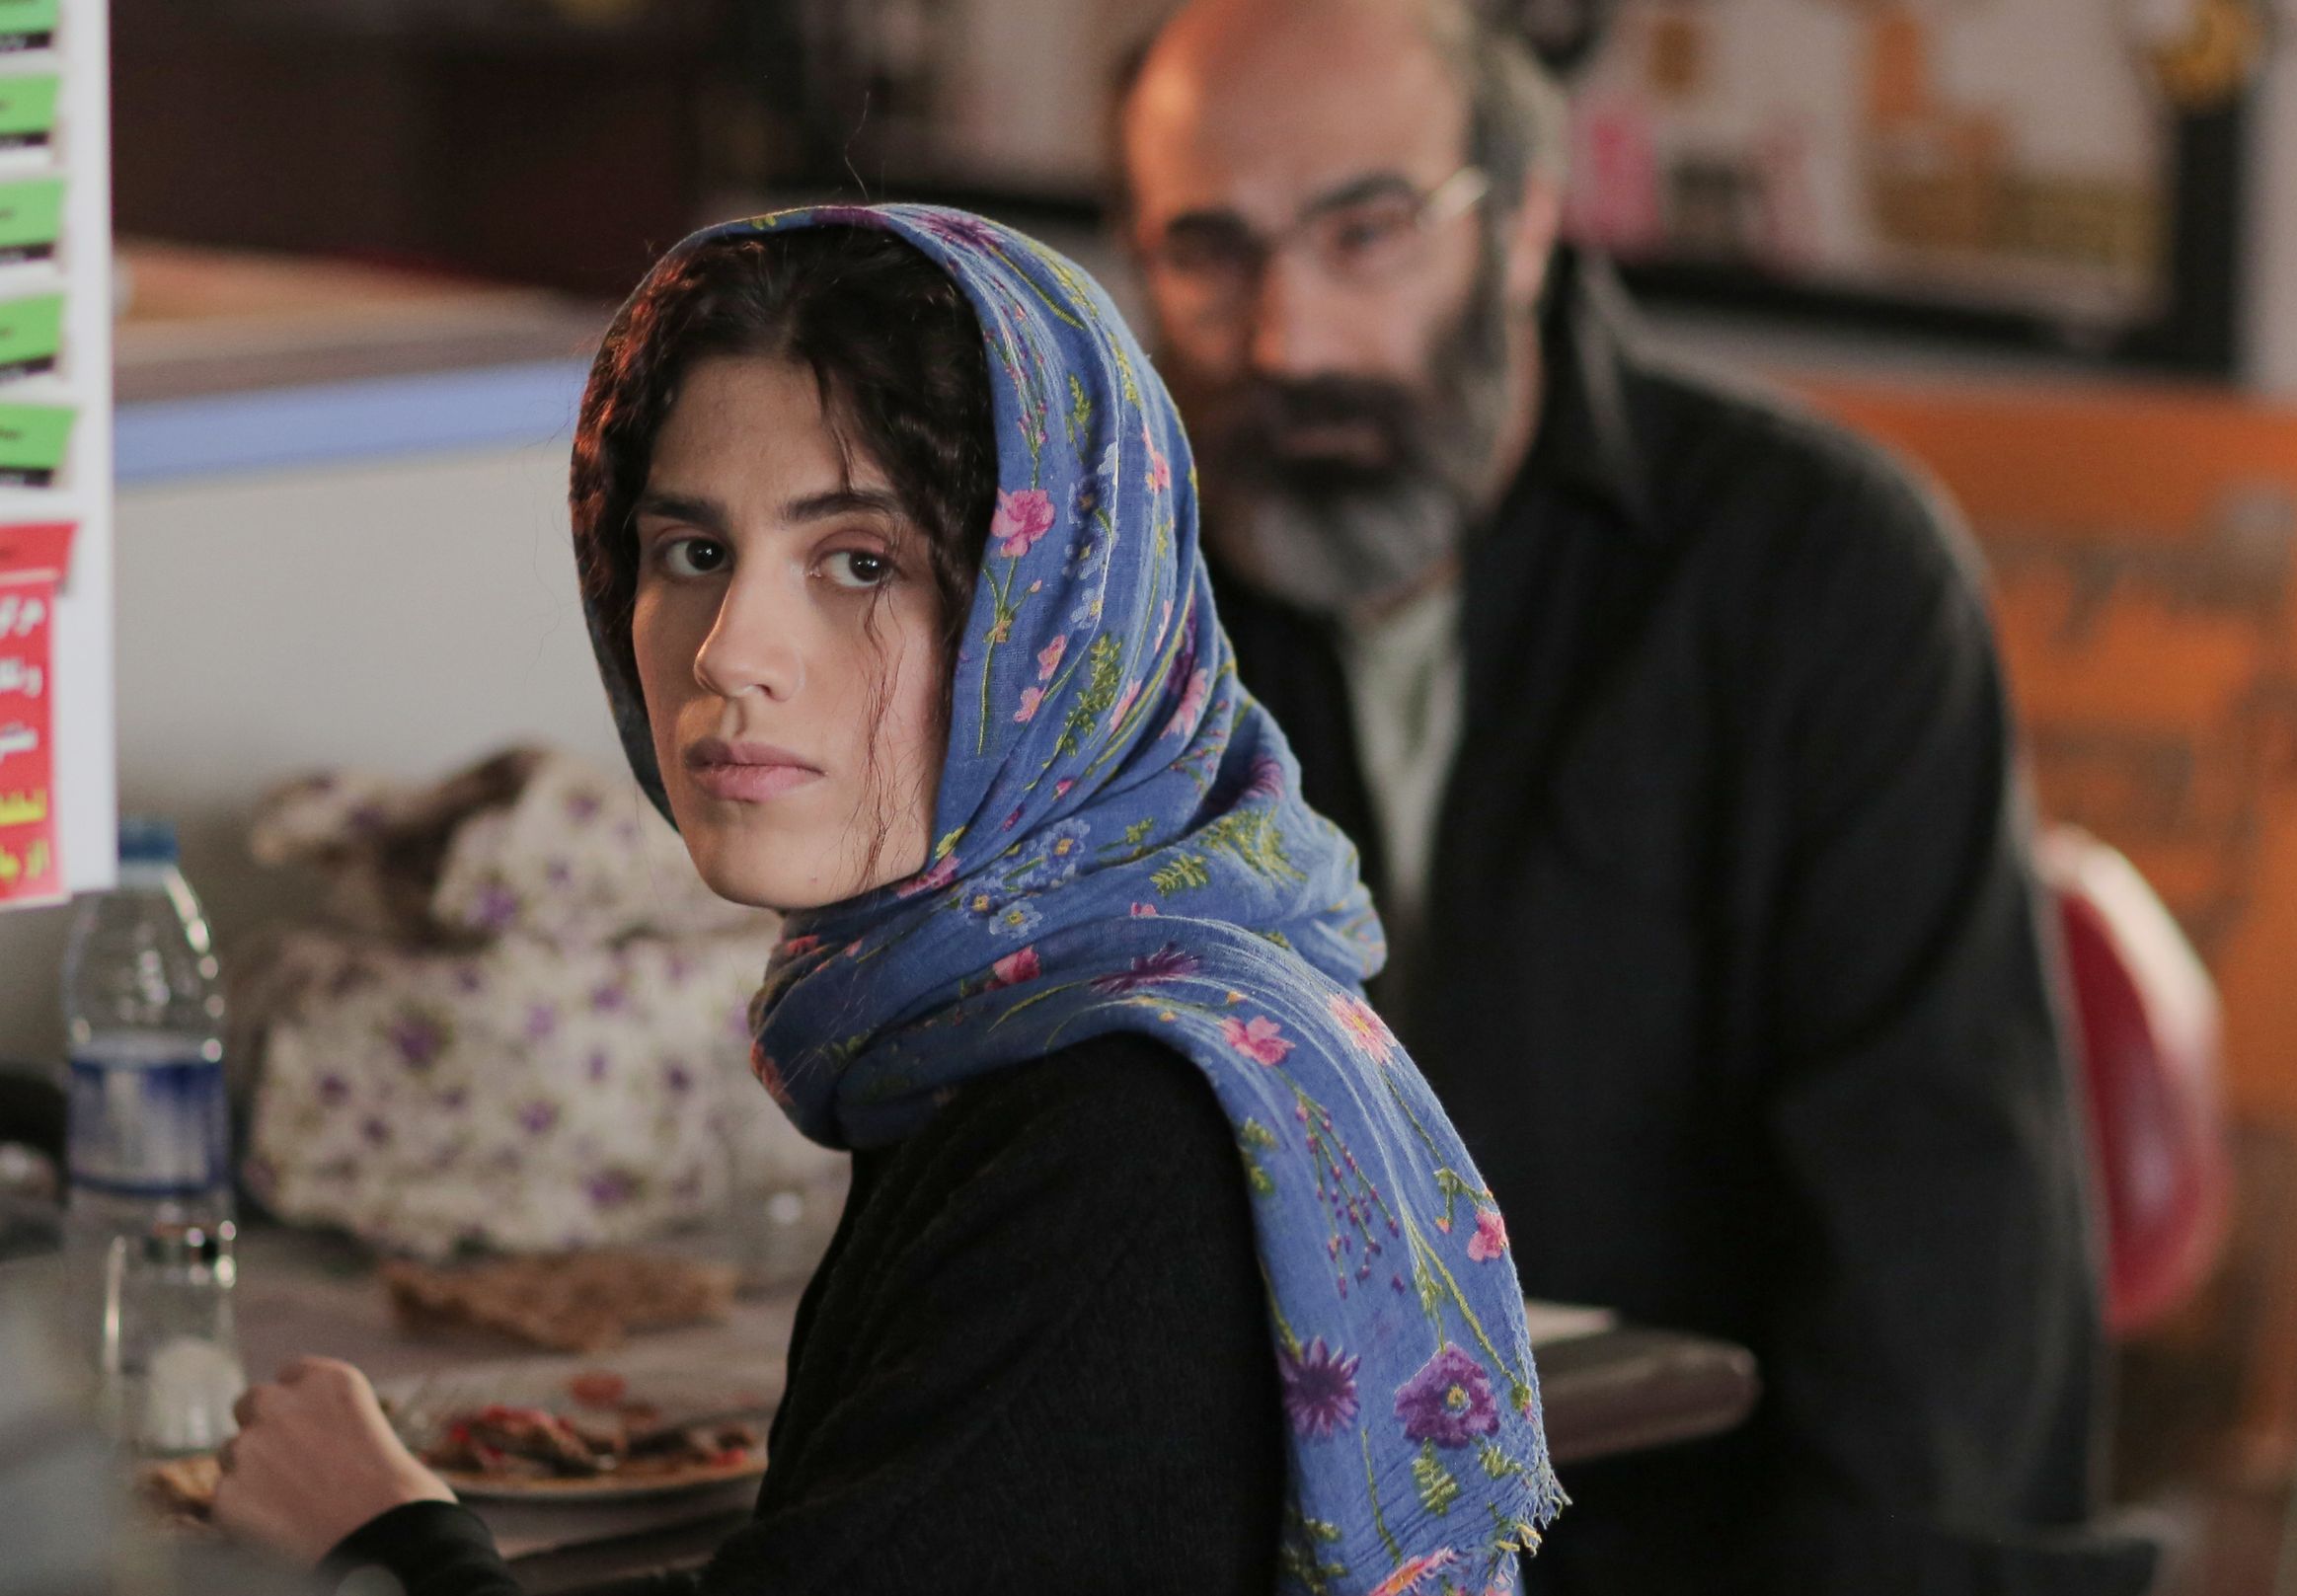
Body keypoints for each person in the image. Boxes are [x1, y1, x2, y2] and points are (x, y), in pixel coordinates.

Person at [204, 205, 1562, 1595]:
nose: (730, 653)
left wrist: (389, 1539)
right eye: (692, 552)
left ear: (1061, 613)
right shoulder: (995, 1016)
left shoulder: (1120, 1135)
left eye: (861, 563)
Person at [1118, 4, 2129, 1591]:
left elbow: (1944, 1317)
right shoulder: (1111, 617)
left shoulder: (1824, 580)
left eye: (1367, 233)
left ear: (1524, 223)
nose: (1288, 339)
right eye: (1209, 251)